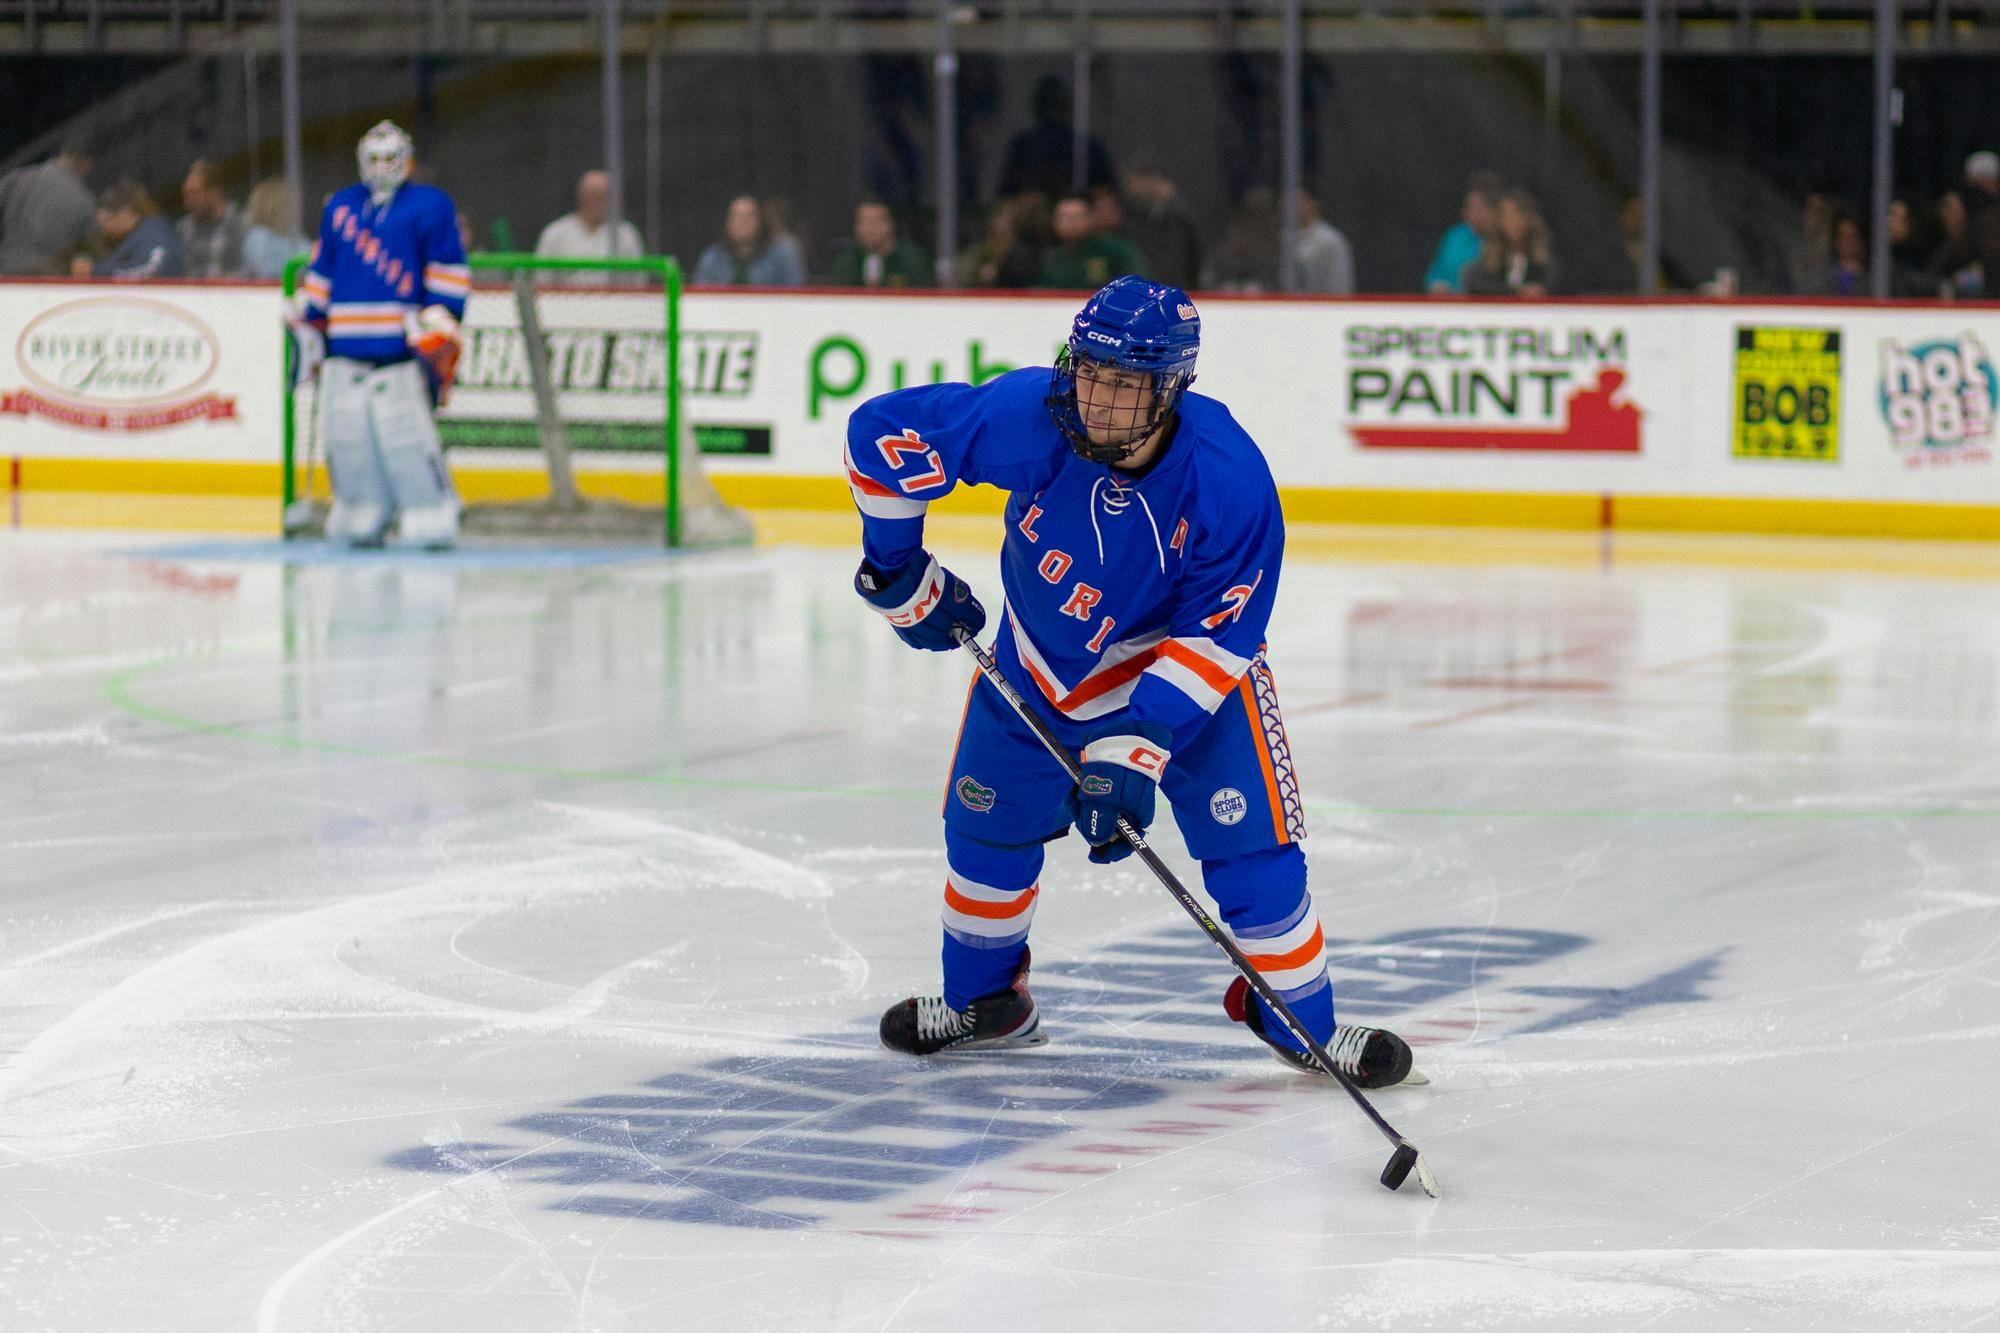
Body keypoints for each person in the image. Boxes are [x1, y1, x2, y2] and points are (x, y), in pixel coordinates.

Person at [847, 274, 1420, 1089]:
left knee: (1256, 857)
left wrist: (1136, 744)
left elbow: (1222, 636)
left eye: (1124, 384)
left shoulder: (1229, 480)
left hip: (1184, 682)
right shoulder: (1026, 416)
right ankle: (988, 1005)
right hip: (1037, 667)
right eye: (1088, 372)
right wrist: (897, 569)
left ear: (1173, 388)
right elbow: (880, 436)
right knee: (984, 840)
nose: (1097, 400)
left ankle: (1301, 1020)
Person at [291, 121, 470, 550]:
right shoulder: (340, 207)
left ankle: (430, 511)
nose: (382, 167)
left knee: (404, 437)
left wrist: (440, 318)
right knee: (348, 439)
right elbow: (324, 269)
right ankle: (360, 510)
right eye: (373, 159)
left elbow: (448, 270)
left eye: (392, 159)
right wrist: (309, 314)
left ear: (406, 160)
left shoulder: (430, 206)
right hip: (344, 349)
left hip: (399, 351)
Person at [997, 74, 1116, 203]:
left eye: (1055, 107)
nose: (1052, 115)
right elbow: (1005, 196)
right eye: (1047, 107)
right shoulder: (1023, 146)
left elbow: (1106, 194)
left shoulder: (1086, 147)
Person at [0, 130, 99, 276]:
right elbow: (89, 251)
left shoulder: (18, 178)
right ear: (88, 164)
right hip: (48, 278)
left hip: (6, 271)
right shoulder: (84, 201)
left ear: (62, 153)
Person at [534, 169, 645, 284]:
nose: (596, 202)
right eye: (591, 195)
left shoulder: (626, 234)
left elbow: (638, 282)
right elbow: (542, 281)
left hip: (616, 301)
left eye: (602, 196)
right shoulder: (555, 232)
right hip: (565, 301)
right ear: (581, 196)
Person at [1035, 192, 1144, 289]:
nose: (1071, 223)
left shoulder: (1113, 249)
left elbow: (1139, 278)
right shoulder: (1049, 257)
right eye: (1065, 217)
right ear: (1054, 222)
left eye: (1077, 217)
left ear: (1091, 218)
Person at [691, 195, 805, 287]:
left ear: (760, 221)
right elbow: (702, 297)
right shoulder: (712, 258)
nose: (743, 222)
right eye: (737, 216)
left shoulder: (782, 256)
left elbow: (796, 295)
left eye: (749, 216)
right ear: (727, 222)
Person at [78, 180, 183, 279]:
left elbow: (150, 271)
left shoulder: (156, 235)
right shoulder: (140, 234)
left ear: (126, 213)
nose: (104, 229)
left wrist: (95, 272)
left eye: (106, 220)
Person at [1462, 188, 1554, 297]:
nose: (1510, 220)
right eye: (1504, 215)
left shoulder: (1545, 265)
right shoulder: (1484, 267)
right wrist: (1517, 292)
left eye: (1516, 213)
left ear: (1528, 218)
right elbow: (1477, 288)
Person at [1423, 170, 1501, 294]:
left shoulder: (1504, 240)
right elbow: (1433, 275)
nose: (1464, 212)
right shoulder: (1454, 236)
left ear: (1489, 209)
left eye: (1472, 206)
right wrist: (1436, 285)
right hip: (1449, 308)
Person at [826, 199, 933, 288]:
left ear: (890, 224)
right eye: (863, 222)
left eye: (876, 221)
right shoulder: (846, 261)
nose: (870, 229)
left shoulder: (913, 259)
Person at [178, 160, 248, 278]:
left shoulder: (242, 224)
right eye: (186, 195)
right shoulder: (184, 228)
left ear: (215, 192)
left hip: (231, 294)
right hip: (193, 294)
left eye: (195, 193)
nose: (188, 203)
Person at [242, 178, 311, 280]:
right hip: (270, 293)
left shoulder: (296, 235)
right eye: (294, 206)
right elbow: (268, 272)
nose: (300, 211)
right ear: (276, 207)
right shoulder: (259, 236)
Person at [1290, 189, 1353, 294]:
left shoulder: (1330, 240)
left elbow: (1339, 285)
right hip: (1291, 306)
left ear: (1312, 203)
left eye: (1298, 202)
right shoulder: (1288, 237)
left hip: (1321, 306)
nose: (1292, 207)